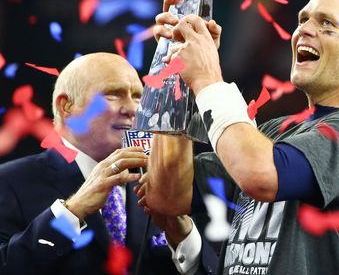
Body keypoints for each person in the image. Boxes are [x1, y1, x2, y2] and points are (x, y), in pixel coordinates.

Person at [143, 0, 339, 274]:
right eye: (303, 19)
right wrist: (176, 73)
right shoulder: (273, 133)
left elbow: (260, 176)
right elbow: (167, 198)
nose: (304, 29)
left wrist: (207, 77)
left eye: (327, 24)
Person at [0, 52, 202, 274]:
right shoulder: (9, 182)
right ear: (66, 106)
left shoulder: (161, 184)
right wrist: (73, 210)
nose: (132, 109)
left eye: (137, 97)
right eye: (113, 95)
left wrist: (182, 234)